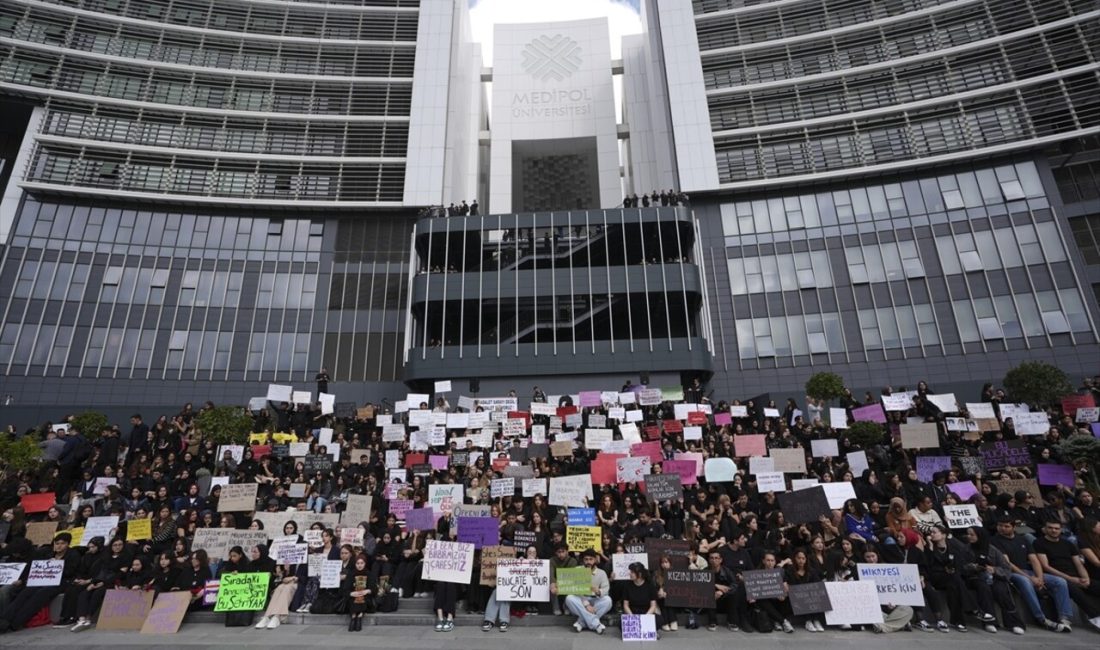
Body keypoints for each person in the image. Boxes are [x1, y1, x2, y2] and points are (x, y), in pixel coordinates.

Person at [989, 516, 1072, 632]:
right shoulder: (995, 540)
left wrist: (1039, 578)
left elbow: (1034, 559)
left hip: (1029, 571)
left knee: (1060, 581)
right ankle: (1041, 618)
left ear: (1014, 527)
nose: (1002, 528)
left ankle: (1064, 618)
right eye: (1000, 526)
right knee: (1025, 581)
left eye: (1006, 526)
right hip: (1011, 573)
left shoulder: (1022, 539)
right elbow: (1007, 563)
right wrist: (1030, 578)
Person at [1032, 520, 1100, 630]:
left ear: (1061, 530)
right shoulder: (1039, 543)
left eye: (1056, 528)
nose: (1053, 530)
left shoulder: (1068, 544)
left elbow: (1078, 564)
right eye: (1050, 528)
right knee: (1075, 591)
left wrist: (1085, 578)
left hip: (1076, 577)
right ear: (1045, 529)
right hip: (1057, 577)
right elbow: (1046, 566)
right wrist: (1071, 579)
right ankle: (1096, 617)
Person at [563, 549, 611, 634]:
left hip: (595, 600)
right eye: (586, 559)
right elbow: (574, 589)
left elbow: (606, 589)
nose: (588, 562)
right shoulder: (577, 570)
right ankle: (596, 624)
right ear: (583, 560)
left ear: (595, 560)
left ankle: (582, 622)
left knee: (608, 600)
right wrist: (586, 604)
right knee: (569, 598)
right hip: (581, 600)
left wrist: (599, 591)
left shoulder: (602, 572)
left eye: (591, 559)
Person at [622, 562, 662, 638]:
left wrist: (646, 617)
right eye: (630, 572)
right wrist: (632, 617)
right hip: (633, 612)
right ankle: (643, 630)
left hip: (647, 612)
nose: (630, 574)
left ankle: (649, 630)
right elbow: (625, 605)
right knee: (621, 623)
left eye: (632, 572)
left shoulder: (650, 585)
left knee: (659, 620)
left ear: (639, 574)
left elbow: (653, 606)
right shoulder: (627, 585)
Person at [344, 553, 375, 631]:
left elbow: (374, 588)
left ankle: (359, 616)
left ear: (365, 564)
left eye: (362, 563)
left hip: (365, 595)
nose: (359, 565)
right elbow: (345, 589)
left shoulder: (369, 573)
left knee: (363, 598)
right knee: (353, 598)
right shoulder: (351, 573)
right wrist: (351, 593)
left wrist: (367, 591)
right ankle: (354, 617)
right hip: (354, 595)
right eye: (358, 563)